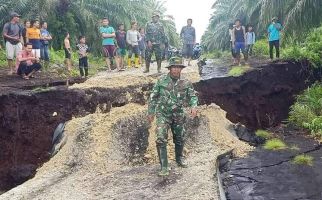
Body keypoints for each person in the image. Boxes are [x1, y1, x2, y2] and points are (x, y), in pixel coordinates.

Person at [147, 56, 198, 176]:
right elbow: (153, 97)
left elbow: (192, 96)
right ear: (170, 68)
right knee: (160, 138)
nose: (176, 70)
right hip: (163, 114)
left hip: (178, 114)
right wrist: (151, 112)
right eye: (174, 67)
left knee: (180, 137)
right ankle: (164, 166)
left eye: (178, 67)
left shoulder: (186, 82)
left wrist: (193, 106)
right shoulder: (161, 81)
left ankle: (179, 159)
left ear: (181, 69)